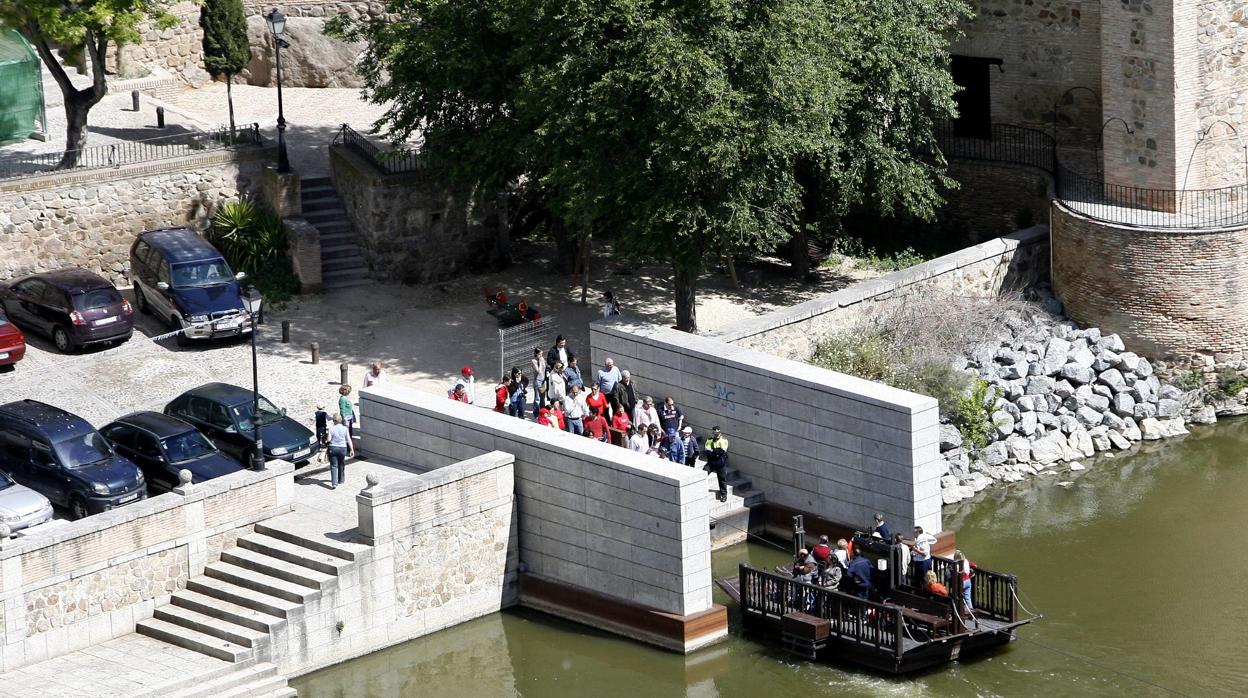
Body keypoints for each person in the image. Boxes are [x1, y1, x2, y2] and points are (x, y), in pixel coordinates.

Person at [325, 413, 354, 489]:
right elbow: (348, 440)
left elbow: (328, 440)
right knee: (341, 464)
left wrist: (326, 449)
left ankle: (334, 483)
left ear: (334, 421)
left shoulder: (331, 429)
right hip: (342, 448)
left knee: (334, 465)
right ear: (341, 420)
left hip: (333, 448)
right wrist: (351, 449)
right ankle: (341, 480)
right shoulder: (345, 429)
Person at [704, 426, 729, 502]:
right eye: (714, 433)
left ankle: (723, 495)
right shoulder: (709, 440)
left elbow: (722, 451)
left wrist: (713, 451)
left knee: (722, 479)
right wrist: (716, 452)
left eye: (717, 433)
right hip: (711, 462)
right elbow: (707, 451)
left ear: (720, 433)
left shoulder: (724, 440)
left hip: (720, 463)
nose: (716, 434)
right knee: (703, 473)